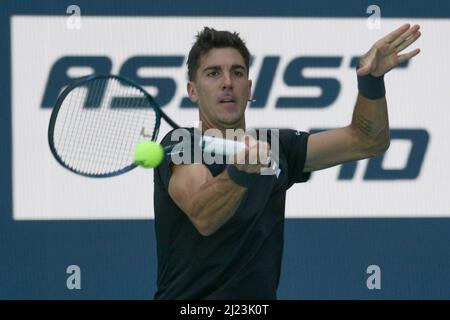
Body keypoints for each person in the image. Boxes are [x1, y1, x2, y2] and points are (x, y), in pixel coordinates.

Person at [153, 25, 421, 299]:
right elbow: (204, 216)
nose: (227, 82)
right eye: (213, 73)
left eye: (237, 72)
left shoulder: (276, 146)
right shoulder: (183, 143)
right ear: (192, 90)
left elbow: (367, 140)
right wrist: (240, 174)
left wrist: (371, 82)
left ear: (249, 88)